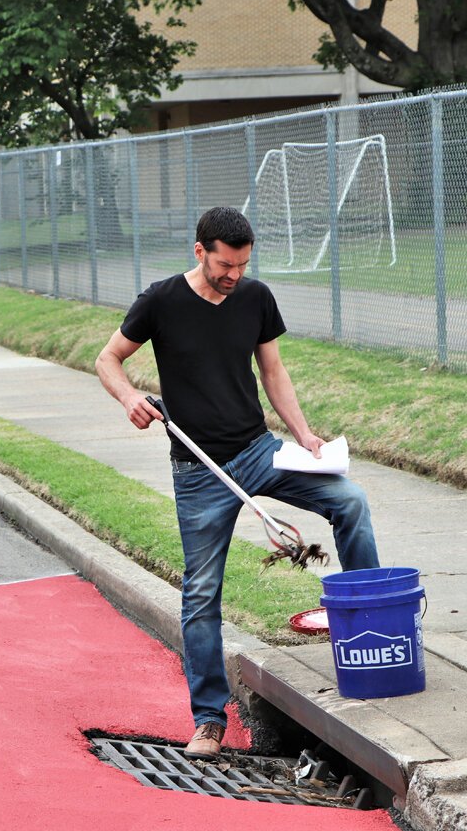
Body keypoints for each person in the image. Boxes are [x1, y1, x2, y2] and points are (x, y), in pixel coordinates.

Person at [95, 206, 380, 761]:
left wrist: (305, 436)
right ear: (199, 251)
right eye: (226, 265)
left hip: (260, 451)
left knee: (349, 501)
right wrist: (129, 396)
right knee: (201, 594)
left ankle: (371, 630)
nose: (234, 276)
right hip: (199, 472)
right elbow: (108, 359)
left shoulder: (254, 297)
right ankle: (208, 720)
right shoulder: (160, 301)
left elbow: (273, 371)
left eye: (243, 265)